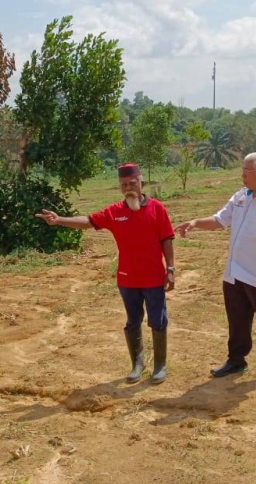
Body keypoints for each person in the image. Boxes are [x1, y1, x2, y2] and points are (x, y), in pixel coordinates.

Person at [36, 164, 175, 384]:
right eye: (124, 185)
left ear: (142, 183)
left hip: (153, 278)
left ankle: (160, 365)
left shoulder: (157, 209)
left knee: (158, 321)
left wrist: (170, 268)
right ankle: (137, 364)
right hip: (127, 280)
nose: (129, 188)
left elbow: (166, 238)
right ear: (120, 187)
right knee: (133, 321)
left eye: (132, 183)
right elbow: (88, 222)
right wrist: (60, 219)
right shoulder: (114, 212)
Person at [175, 152, 256, 379]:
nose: (242, 175)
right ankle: (236, 360)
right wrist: (195, 223)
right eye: (242, 170)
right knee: (237, 320)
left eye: (246, 171)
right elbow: (220, 220)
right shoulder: (241, 196)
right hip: (234, 273)